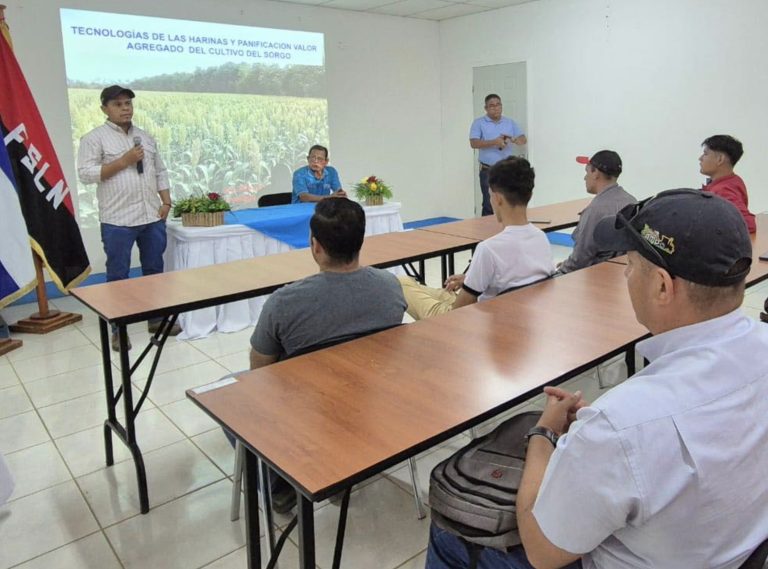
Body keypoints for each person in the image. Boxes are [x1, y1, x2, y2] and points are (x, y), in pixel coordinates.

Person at [426, 189, 768, 568]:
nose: (625, 274)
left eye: (631, 265)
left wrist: (544, 437)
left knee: (448, 532)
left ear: (661, 286)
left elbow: (543, 552)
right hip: (734, 552)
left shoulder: (620, 425)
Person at [247, 197, 406, 511]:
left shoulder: (284, 302)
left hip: (307, 412)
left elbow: (259, 368)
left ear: (315, 246)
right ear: (361, 241)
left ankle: (279, 486)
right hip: (373, 400)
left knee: (231, 392)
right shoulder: (390, 287)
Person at [77, 85, 180, 351]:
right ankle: (118, 329)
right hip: (117, 220)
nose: (125, 108)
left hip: (150, 215)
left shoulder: (145, 137)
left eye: (128, 103)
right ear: (104, 109)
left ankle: (156, 319)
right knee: (118, 275)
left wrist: (166, 201)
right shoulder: (94, 138)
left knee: (154, 271)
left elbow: (160, 171)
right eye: (118, 104)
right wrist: (123, 161)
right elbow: (86, 174)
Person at [398, 157, 554, 321]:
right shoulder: (541, 238)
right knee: (416, 286)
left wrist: (470, 283)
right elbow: (517, 278)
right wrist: (469, 279)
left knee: (400, 284)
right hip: (516, 315)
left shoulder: (489, 249)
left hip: (466, 319)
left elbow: (459, 309)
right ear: (529, 193)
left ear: (497, 198)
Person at [557, 151, 636, 274]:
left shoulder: (595, 211)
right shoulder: (631, 201)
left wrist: (559, 271)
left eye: (587, 171)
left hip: (597, 276)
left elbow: (580, 259)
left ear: (595, 173)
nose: (584, 177)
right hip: (621, 274)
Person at [469, 94, 527, 216]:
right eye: (492, 105)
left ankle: (506, 232)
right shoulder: (479, 123)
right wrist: (494, 142)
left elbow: (523, 139)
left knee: (508, 202)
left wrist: (516, 140)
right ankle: (486, 233)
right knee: (489, 204)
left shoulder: (509, 122)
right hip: (488, 170)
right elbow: (473, 143)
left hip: (507, 170)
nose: (495, 108)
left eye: (498, 105)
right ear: (486, 108)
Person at [699, 134, 756, 233]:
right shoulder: (733, 180)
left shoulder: (724, 190)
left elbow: (748, 224)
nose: (700, 158)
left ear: (720, 159)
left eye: (705, 154)